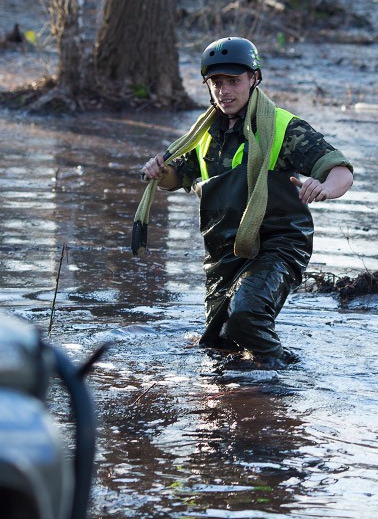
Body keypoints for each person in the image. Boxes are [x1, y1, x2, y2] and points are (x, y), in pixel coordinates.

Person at [137, 37, 353, 368]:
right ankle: (250, 385)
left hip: (278, 247)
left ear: (254, 78)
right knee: (221, 344)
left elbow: (341, 172)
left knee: (246, 317)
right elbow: (177, 177)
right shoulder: (201, 133)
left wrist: (323, 187)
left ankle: (280, 378)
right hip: (223, 255)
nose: (224, 91)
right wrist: (160, 172)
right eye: (216, 82)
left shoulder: (283, 127)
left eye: (233, 81)